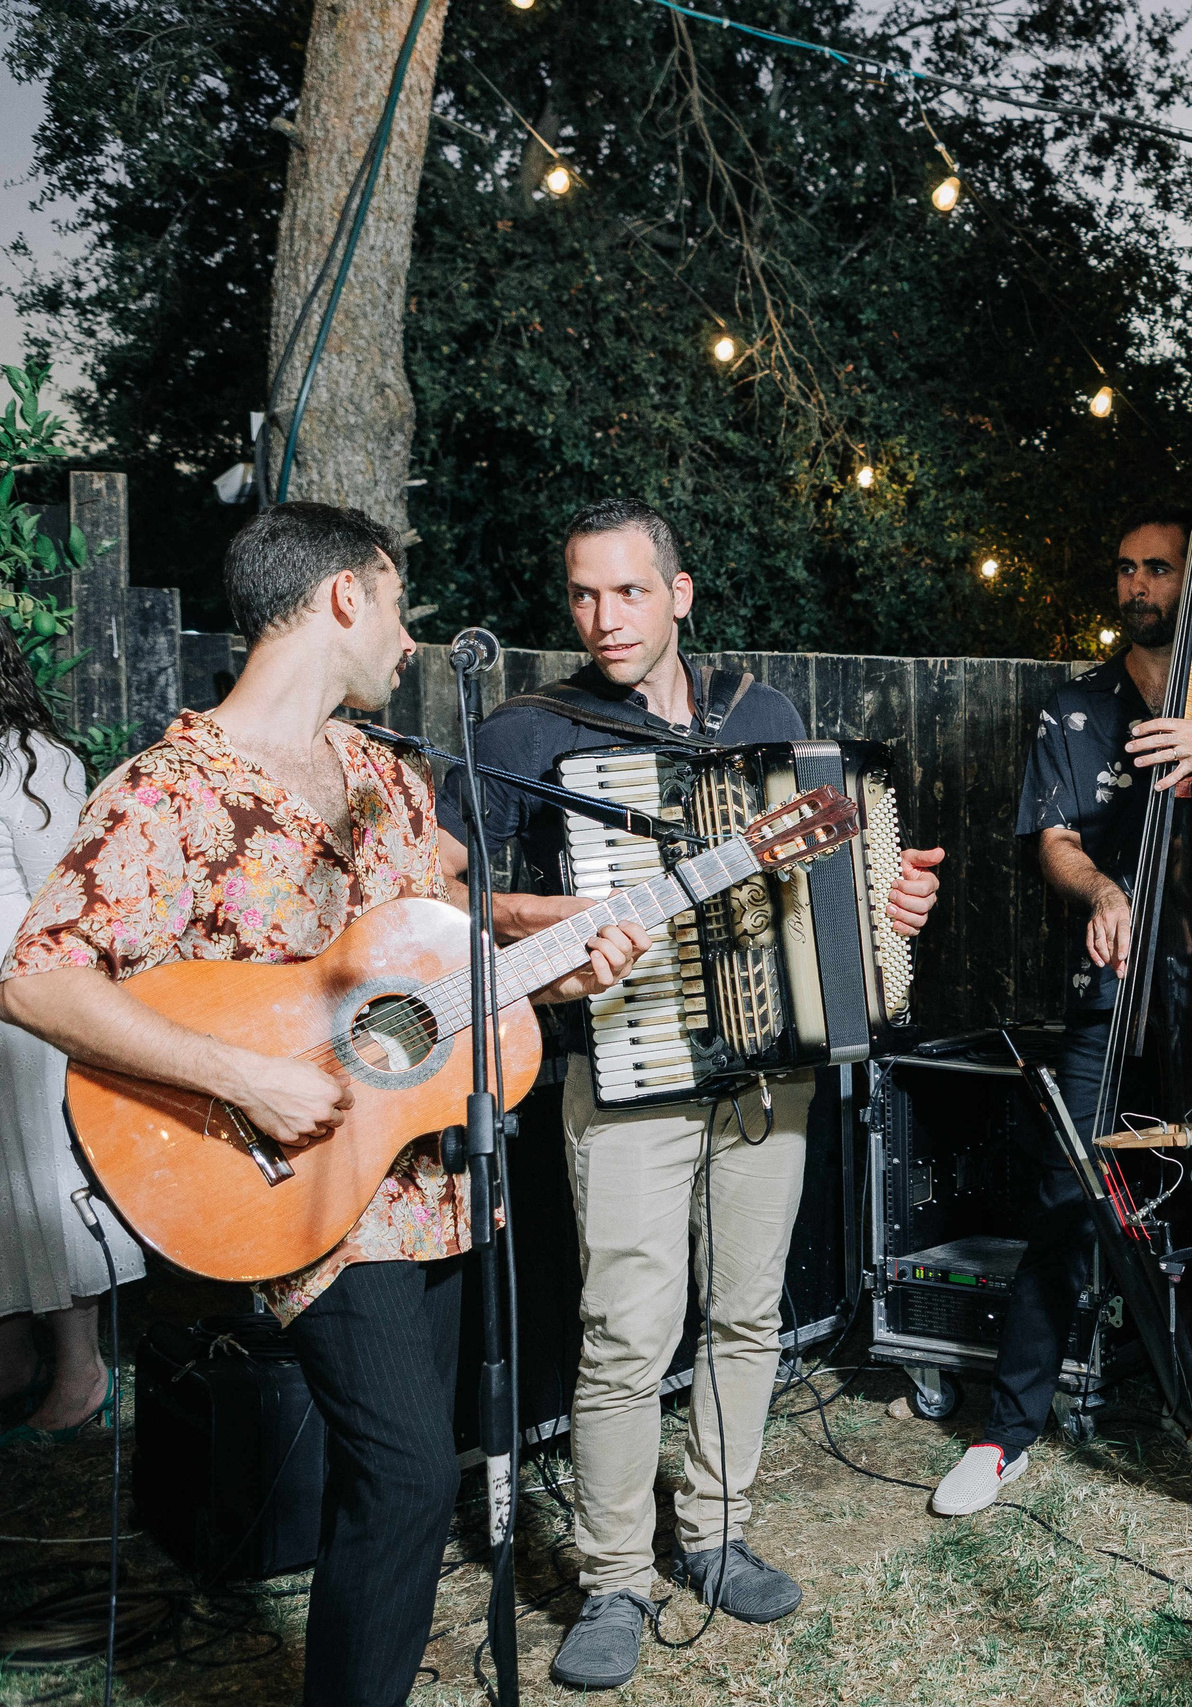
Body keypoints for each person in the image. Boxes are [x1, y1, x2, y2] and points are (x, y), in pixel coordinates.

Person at [0, 503, 647, 1707]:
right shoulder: (169, 792)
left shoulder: (384, 778)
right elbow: (36, 978)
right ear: (344, 596)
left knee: (401, 1478)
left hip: (429, 1171)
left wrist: (558, 964)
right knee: (405, 1475)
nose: (408, 639)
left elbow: (433, 976)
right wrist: (242, 1074)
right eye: (397, 605)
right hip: (297, 1188)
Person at [436, 497, 944, 1692]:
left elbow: (830, 883)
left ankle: (715, 1528)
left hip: (769, 1070)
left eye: (626, 592)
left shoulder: (758, 715)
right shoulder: (526, 733)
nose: (603, 618)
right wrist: (553, 922)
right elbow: (439, 884)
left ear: (680, 594)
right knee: (625, 1329)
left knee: (748, 1310)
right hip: (626, 1063)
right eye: (582, 594)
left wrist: (887, 911)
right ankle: (614, 1574)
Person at [928, 499, 1192, 1518]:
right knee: (1072, 1203)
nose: (1140, 586)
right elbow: (1055, 843)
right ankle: (1006, 1431)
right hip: (1111, 990)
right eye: (1127, 569)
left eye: (1159, 569)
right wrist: (1106, 891)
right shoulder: (1076, 710)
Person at [0, 629, 144, 1444]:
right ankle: (14, 1362)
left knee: (42, 1182)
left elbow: (67, 904)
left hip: (26, 1010)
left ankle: (82, 1371)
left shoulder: (33, 759)